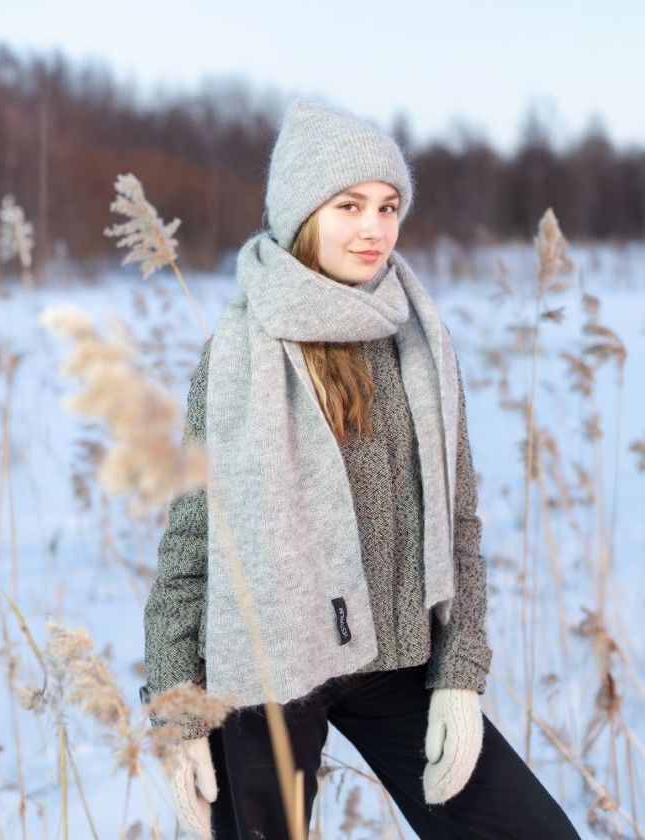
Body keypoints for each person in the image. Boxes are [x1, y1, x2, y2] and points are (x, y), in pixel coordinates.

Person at [141, 100, 582, 839]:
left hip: (395, 660)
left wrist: (460, 676)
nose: (374, 228)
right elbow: (193, 543)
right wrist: (179, 711)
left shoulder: (419, 342)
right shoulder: (239, 353)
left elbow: (460, 518)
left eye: (388, 205)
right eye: (349, 206)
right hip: (267, 675)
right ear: (303, 214)